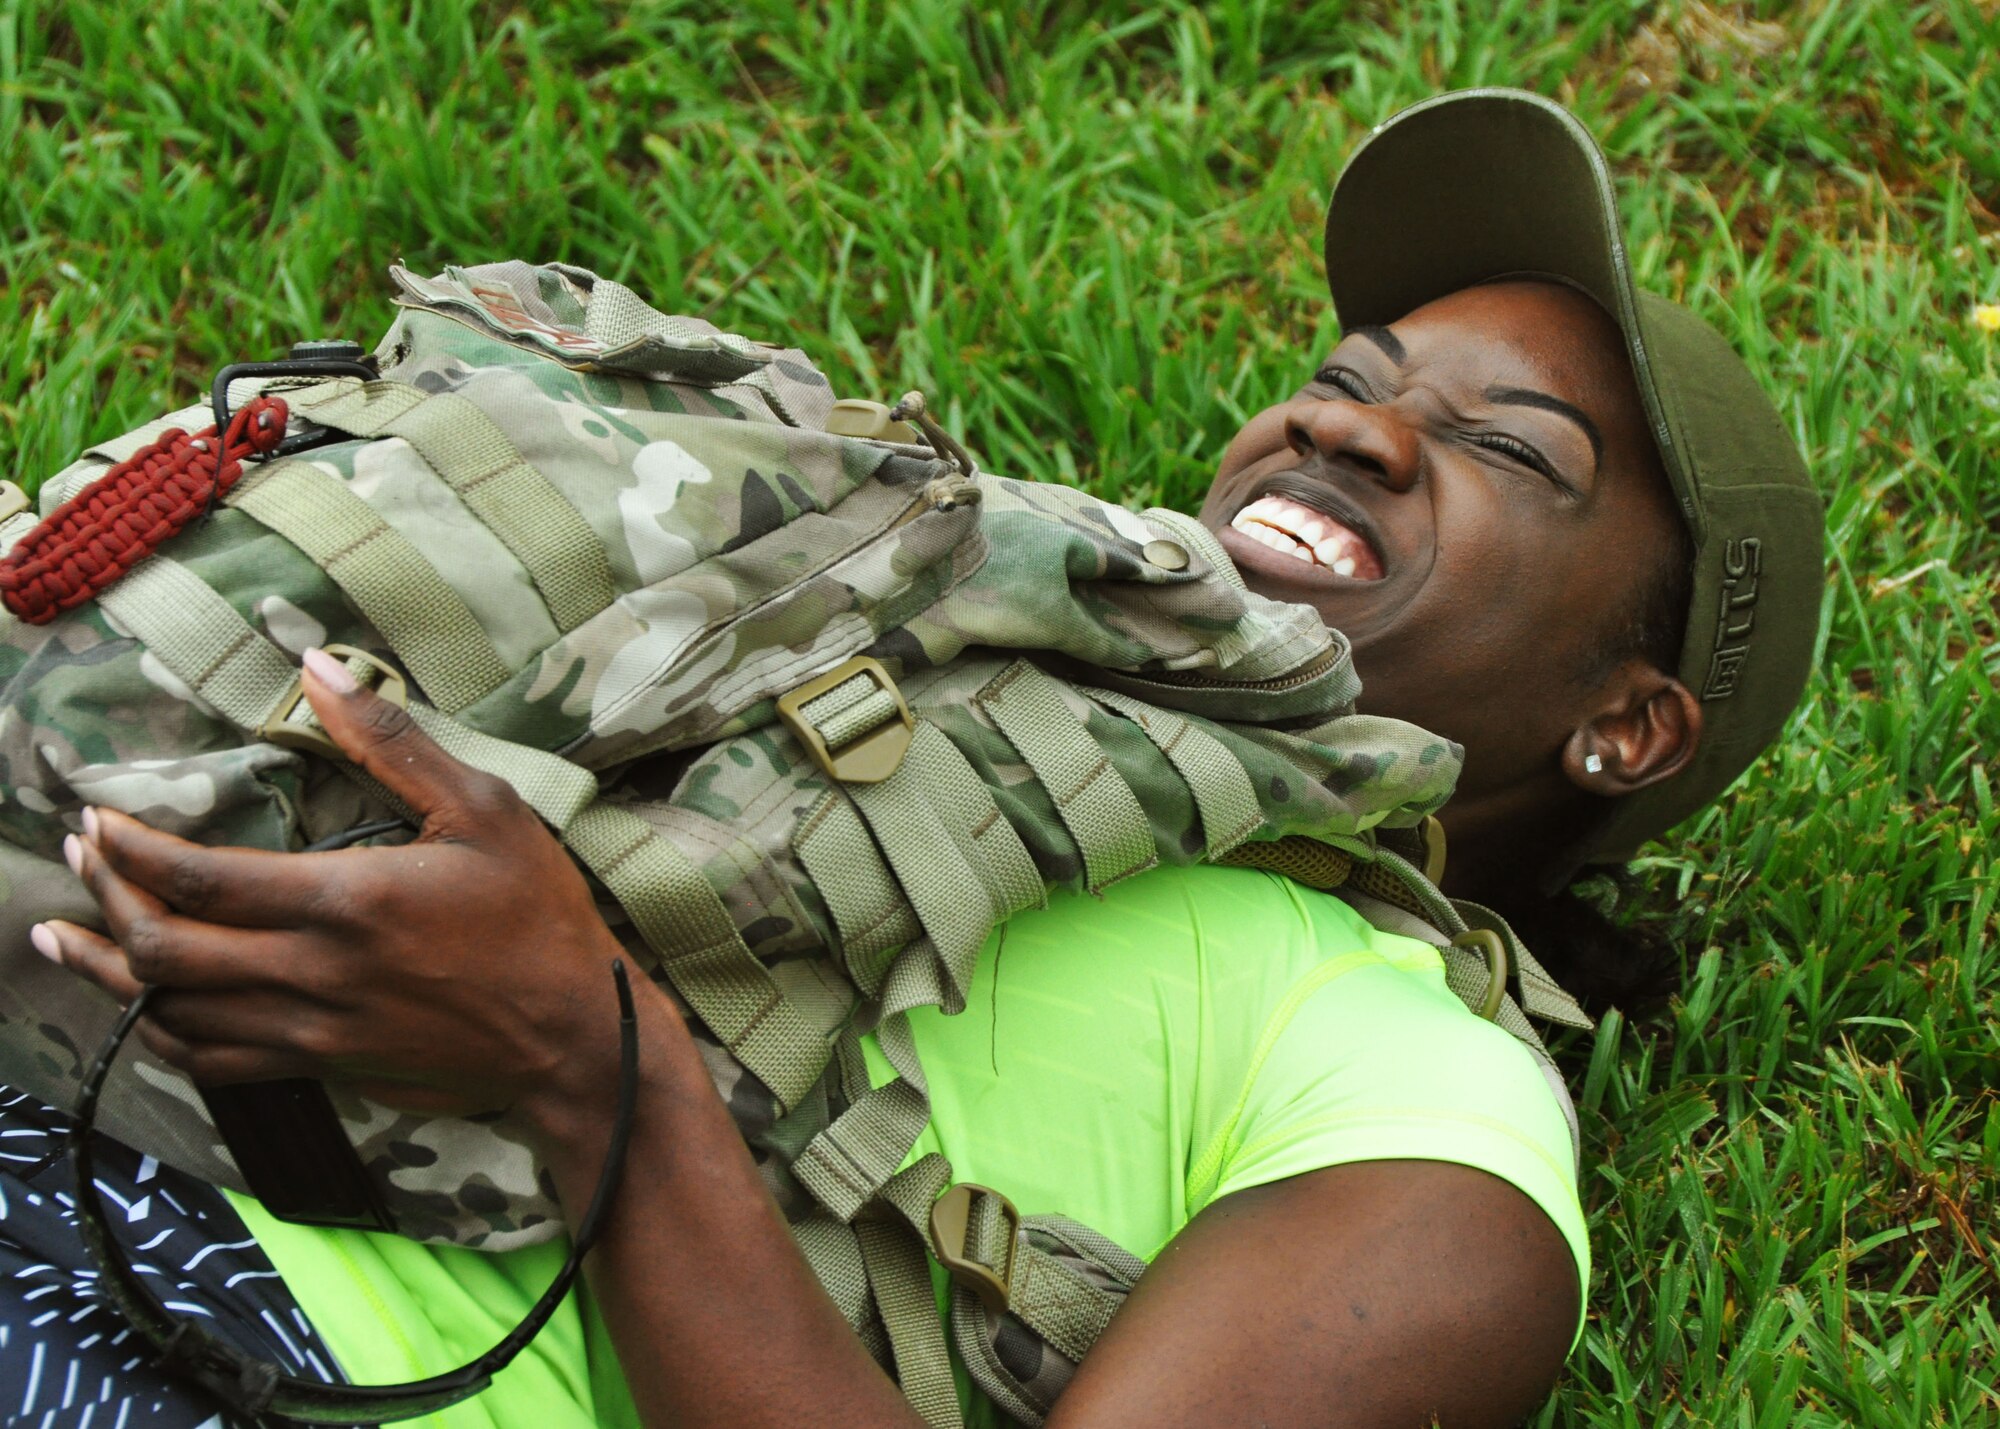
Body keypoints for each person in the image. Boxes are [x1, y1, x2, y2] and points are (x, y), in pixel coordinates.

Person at [5, 88, 1821, 1427]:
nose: (1353, 420)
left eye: (1512, 451)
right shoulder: (916, 612)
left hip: (240, 1335)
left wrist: (590, 1059)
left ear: (1625, 718)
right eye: (1359, 369)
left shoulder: (1432, 1102)